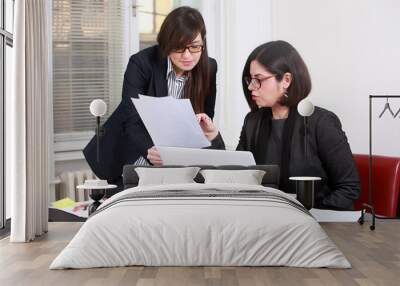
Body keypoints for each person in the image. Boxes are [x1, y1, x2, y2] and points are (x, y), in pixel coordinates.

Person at [197, 40, 360, 210]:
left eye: (259, 79)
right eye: (250, 80)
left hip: (313, 223)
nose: (252, 87)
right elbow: (238, 176)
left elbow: (349, 190)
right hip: (266, 218)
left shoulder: (322, 122)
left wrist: (302, 213)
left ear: (286, 80)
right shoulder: (253, 121)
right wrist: (213, 137)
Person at [83, 6, 219, 187]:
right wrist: (152, 152)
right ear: (166, 44)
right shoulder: (141, 63)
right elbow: (130, 119)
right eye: (179, 47)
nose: (188, 55)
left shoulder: (209, 67)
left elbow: (205, 116)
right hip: (132, 154)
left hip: (176, 163)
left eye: (195, 47)